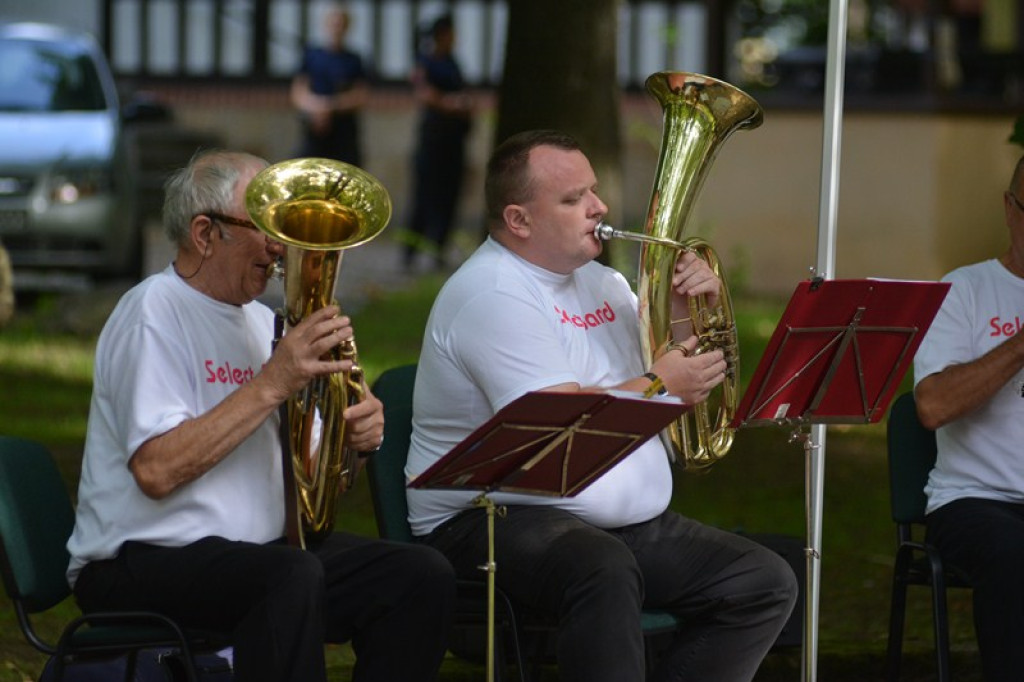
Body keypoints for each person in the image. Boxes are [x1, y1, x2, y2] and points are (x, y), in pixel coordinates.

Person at [406, 130, 798, 682]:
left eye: (593, 191)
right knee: (602, 569)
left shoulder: (604, 282)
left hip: (611, 525)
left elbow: (661, 375)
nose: (600, 208)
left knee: (763, 579)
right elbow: (555, 424)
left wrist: (687, 309)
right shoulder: (491, 293)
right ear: (519, 220)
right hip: (490, 518)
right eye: (573, 199)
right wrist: (660, 384)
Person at [65, 149, 456, 682]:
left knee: (418, 575)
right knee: (288, 577)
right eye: (266, 224)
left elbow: (317, 483)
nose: (280, 245)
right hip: (141, 555)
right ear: (205, 233)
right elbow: (156, 471)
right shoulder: (151, 312)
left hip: (255, 554)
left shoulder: (261, 321)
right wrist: (273, 382)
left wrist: (354, 441)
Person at [914, 153, 1024, 682]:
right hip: (975, 500)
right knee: (1014, 558)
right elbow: (932, 406)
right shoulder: (964, 291)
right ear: (1009, 208)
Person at [403, 14, 474, 272]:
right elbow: (424, 92)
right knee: (425, 195)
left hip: (453, 142)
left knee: (448, 196)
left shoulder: (453, 63)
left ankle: (438, 250)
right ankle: (410, 251)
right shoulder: (427, 61)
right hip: (433, 140)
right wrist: (450, 104)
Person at [290, 4, 369, 166]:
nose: (337, 28)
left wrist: (329, 106)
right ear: (326, 25)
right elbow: (298, 93)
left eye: (340, 24)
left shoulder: (354, 59)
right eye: (333, 23)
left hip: (344, 134)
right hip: (315, 132)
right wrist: (316, 108)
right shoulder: (312, 56)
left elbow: (360, 96)